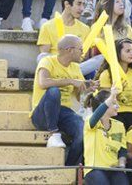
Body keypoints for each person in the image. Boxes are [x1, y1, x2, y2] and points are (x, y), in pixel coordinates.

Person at [30, 35, 92, 165]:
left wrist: (86, 88)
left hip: (64, 112)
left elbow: (77, 95)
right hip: (43, 113)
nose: (83, 52)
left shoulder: (75, 68)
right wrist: (70, 81)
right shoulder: (48, 61)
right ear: (70, 50)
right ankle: (53, 133)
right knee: (53, 91)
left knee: (82, 133)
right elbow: (43, 83)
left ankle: (69, 167)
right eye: (81, 49)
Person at [82, 86, 128, 185]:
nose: (118, 106)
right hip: (94, 169)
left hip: (114, 170)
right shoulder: (90, 121)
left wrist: (121, 165)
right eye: (114, 103)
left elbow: (122, 150)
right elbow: (96, 115)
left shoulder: (120, 125)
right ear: (103, 105)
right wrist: (111, 97)